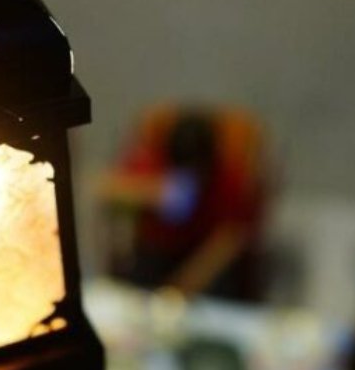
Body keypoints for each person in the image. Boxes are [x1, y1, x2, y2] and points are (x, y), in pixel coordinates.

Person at [102, 108, 264, 300]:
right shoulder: (155, 165)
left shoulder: (231, 181)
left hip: (204, 258)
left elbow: (228, 242)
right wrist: (154, 193)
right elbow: (107, 190)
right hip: (157, 250)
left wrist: (182, 287)